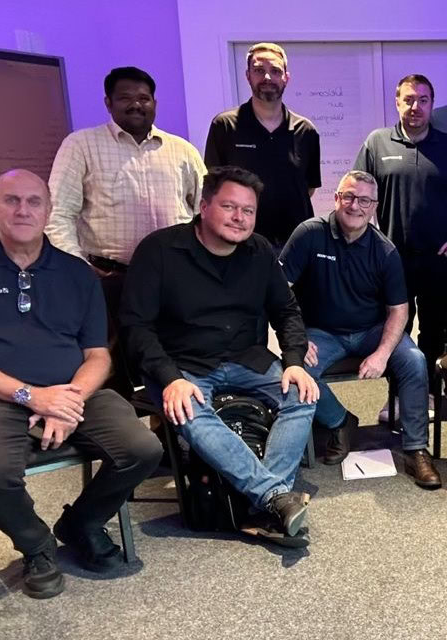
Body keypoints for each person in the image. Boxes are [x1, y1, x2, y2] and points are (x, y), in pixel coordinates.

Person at [0, 169, 162, 599]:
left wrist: (68, 399)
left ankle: (82, 523)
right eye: (12, 200)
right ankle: (37, 545)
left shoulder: (77, 274)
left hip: (74, 392)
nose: (23, 210)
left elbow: (98, 357)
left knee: (143, 449)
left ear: (50, 210)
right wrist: (33, 396)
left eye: (34, 201)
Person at [120, 165, 319, 547]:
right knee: (189, 409)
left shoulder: (259, 250)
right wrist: (169, 377)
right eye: (229, 206)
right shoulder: (160, 251)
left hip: (247, 358)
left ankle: (265, 501)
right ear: (204, 205)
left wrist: (293, 361)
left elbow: (287, 310)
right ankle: (273, 497)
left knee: (304, 393)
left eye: (248, 210)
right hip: (184, 364)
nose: (239, 218)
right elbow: (136, 327)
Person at [279, 170, 441, 488]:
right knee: (297, 368)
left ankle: (415, 448)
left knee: (414, 360)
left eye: (364, 200)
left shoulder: (384, 251)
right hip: (322, 331)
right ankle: (341, 422)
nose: (355, 206)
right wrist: (295, 336)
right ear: (337, 198)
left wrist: (382, 353)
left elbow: (399, 310)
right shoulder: (309, 234)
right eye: (349, 196)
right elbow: (278, 289)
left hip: (372, 330)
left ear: (374, 206)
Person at [46, 65, 206, 274]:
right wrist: (79, 268)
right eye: (125, 98)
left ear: (154, 103)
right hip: (109, 277)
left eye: (144, 98)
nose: (136, 105)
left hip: (176, 274)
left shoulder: (183, 150)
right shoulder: (81, 145)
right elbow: (58, 214)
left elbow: (205, 211)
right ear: (108, 103)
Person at [354, 75, 447, 417]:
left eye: (423, 100)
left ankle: (429, 395)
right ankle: (395, 397)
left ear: (431, 104)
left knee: (435, 331)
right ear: (397, 102)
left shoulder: (445, 144)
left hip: (439, 262)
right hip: (393, 260)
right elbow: (358, 193)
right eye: (408, 99)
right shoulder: (377, 143)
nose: (415, 107)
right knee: (396, 332)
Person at [204, 42, 320, 252]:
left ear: (286, 77)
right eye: (259, 70)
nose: (267, 77)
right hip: (241, 243)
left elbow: (308, 188)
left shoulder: (306, 131)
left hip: (296, 244)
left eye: (275, 71)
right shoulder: (225, 126)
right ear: (248, 75)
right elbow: (214, 188)